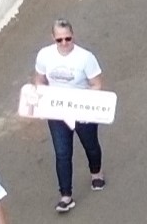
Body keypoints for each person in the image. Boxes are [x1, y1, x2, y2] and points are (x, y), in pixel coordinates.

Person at [30, 21, 105, 210]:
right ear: (53, 38)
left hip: (82, 110)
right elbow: (39, 80)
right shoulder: (44, 55)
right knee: (62, 153)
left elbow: (96, 84)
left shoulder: (85, 58)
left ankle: (96, 173)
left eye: (68, 38)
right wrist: (42, 100)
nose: (64, 43)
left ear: (73, 36)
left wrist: (84, 100)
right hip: (57, 111)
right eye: (59, 39)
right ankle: (66, 195)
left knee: (91, 146)